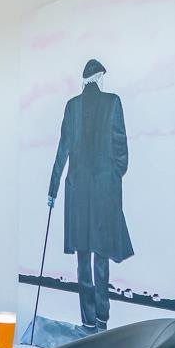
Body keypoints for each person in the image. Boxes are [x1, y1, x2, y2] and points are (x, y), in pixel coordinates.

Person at [48, 59, 132, 330]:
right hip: (103, 192)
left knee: (82, 257)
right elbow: (120, 145)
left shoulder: (72, 106)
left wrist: (52, 189)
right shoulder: (112, 102)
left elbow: (62, 150)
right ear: (98, 77)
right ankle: (102, 320)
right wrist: (114, 174)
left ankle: (87, 320)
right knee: (101, 256)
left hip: (77, 194)